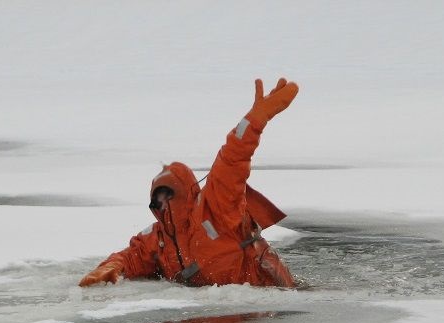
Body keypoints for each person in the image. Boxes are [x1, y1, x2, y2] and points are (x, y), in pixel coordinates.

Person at [79, 77, 299, 288]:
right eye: (158, 197)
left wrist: (255, 120)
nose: (163, 202)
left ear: (185, 191)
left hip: (266, 299)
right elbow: (131, 256)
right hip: (215, 313)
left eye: (168, 194)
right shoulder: (158, 238)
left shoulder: (216, 207)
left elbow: (232, 159)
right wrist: (110, 267)